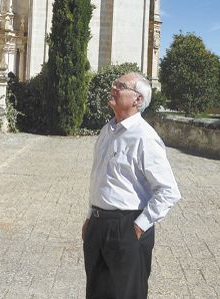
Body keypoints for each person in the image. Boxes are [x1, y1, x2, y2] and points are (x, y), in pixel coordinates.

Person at [82, 72, 181, 299]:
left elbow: (168, 191)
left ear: (138, 100)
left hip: (126, 226)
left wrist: (138, 227)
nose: (113, 87)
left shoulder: (145, 137)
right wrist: (90, 216)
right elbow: (101, 177)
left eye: (121, 85)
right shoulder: (107, 131)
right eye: (115, 84)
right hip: (98, 225)